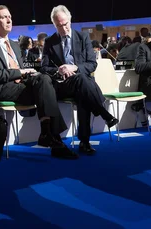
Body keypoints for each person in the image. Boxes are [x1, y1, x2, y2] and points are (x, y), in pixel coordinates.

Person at [0, 5, 77, 159]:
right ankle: (54, 139)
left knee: (44, 79)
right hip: (1, 89)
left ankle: (47, 132)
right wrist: (21, 72)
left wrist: (28, 74)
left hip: (20, 86)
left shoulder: (15, 45)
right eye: (3, 17)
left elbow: (23, 73)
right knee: (46, 89)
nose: (9, 20)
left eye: (9, 16)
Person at [41, 5, 119, 155]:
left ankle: (84, 142)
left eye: (65, 24)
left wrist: (74, 68)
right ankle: (103, 114)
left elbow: (92, 64)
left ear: (70, 20)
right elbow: (44, 68)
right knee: (84, 84)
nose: (63, 28)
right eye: (59, 25)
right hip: (62, 84)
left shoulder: (82, 37)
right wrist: (60, 70)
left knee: (83, 88)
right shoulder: (50, 41)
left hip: (80, 81)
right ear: (54, 24)